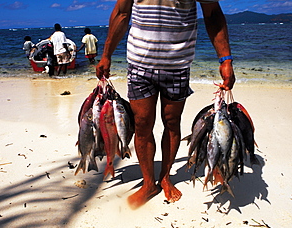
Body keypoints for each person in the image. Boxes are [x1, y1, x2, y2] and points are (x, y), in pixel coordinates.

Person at [96, 0, 235, 210]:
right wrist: (106, 54)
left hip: (178, 64)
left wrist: (225, 60)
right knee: (142, 124)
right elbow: (122, 13)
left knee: (171, 122)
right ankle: (148, 183)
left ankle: (165, 178)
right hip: (139, 63)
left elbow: (213, 13)